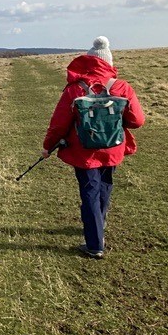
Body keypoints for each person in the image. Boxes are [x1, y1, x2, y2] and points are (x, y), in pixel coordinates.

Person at [42, 36, 145, 259]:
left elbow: (59, 124)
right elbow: (137, 121)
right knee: (105, 185)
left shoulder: (75, 89)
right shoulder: (122, 87)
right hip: (112, 147)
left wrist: (48, 146)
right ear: (109, 63)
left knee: (90, 190)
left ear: (88, 61)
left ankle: (95, 244)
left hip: (83, 150)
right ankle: (99, 223)